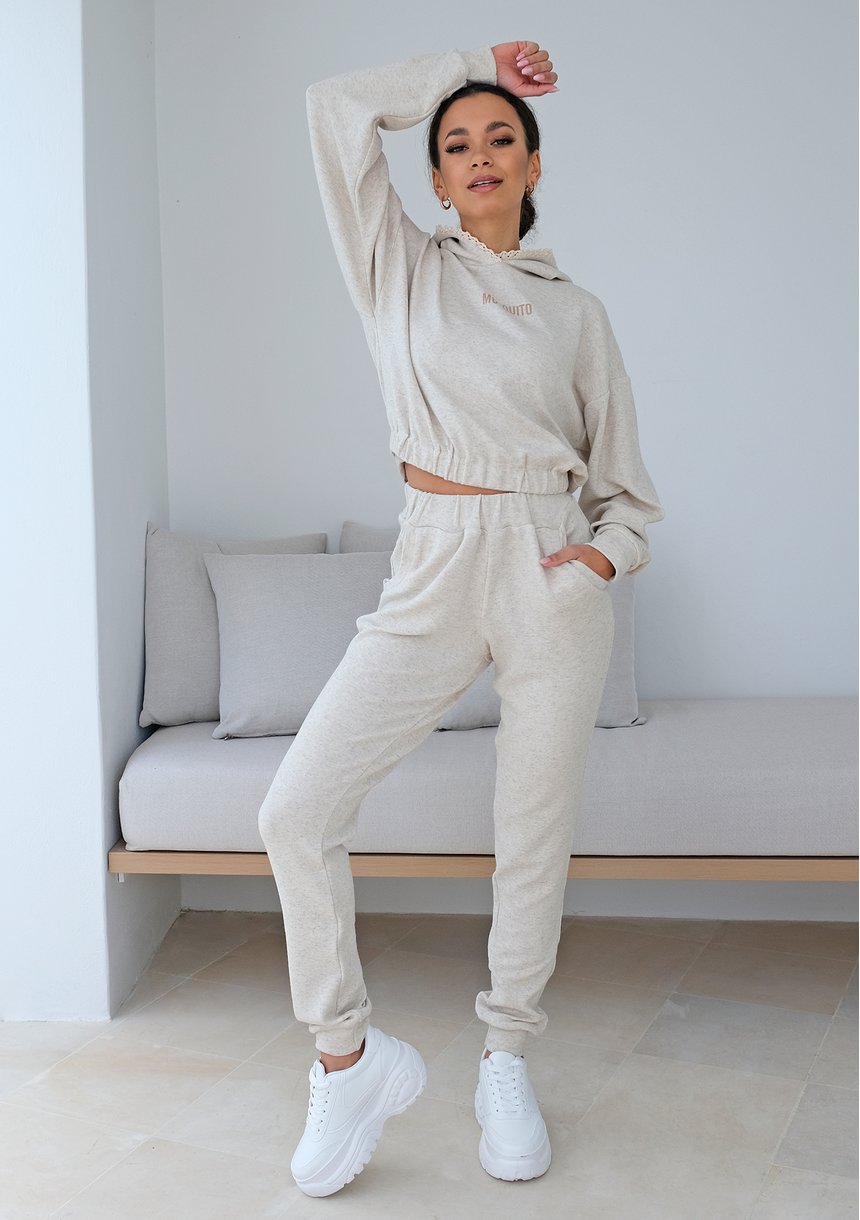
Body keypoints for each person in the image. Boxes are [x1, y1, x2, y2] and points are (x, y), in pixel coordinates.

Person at [258, 38, 664, 1197]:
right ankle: (346, 1059)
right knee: (296, 809)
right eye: (454, 143)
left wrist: (597, 555)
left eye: (499, 138)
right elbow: (333, 105)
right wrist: (474, 64)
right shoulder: (394, 264)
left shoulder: (577, 313)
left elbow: (627, 493)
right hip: (432, 559)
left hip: (547, 570)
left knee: (530, 834)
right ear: (433, 178)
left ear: (532, 166)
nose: (479, 154)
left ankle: (504, 1056)